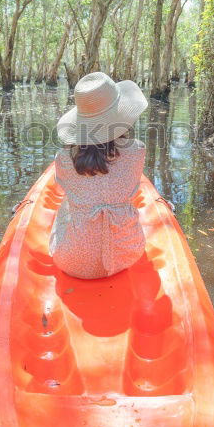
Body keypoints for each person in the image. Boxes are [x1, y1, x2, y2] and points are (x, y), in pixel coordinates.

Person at [49, 72, 148, 279]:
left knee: (66, 203)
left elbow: (65, 189)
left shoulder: (63, 158)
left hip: (72, 262)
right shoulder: (138, 151)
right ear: (121, 114)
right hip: (127, 256)